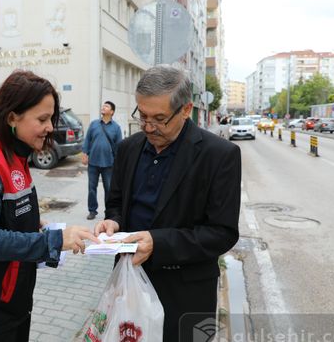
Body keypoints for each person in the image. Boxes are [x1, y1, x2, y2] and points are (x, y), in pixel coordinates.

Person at [0, 70, 98, 341]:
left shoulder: (15, 155)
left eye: (51, 118)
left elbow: (5, 213)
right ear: (12, 117)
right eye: (42, 119)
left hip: (10, 303)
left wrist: (32, 224)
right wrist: (53, 241)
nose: (50, 127)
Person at [94, 65, 241, 341]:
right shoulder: (128, 148)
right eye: (143, 116)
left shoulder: (220, 155)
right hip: (130, 286)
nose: (149, 127)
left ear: (185, 110)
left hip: (186, 297)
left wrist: (158, 243)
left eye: (160, 119)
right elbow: (116, 202)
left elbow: (222, 233)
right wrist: (113, 221)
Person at [81, 101, 122, 220]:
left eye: (107, 106)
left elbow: (119, 146)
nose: (103, 107)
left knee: (109, 189)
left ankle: (109, 212)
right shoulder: (94, 124)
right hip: (93, 162)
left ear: (112, 112)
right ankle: (92, 211)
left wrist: (118, 162)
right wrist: (84, 153)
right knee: (92, 188)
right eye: (103, 105)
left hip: (109, 163)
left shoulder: (116, 128)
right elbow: (87, 140)